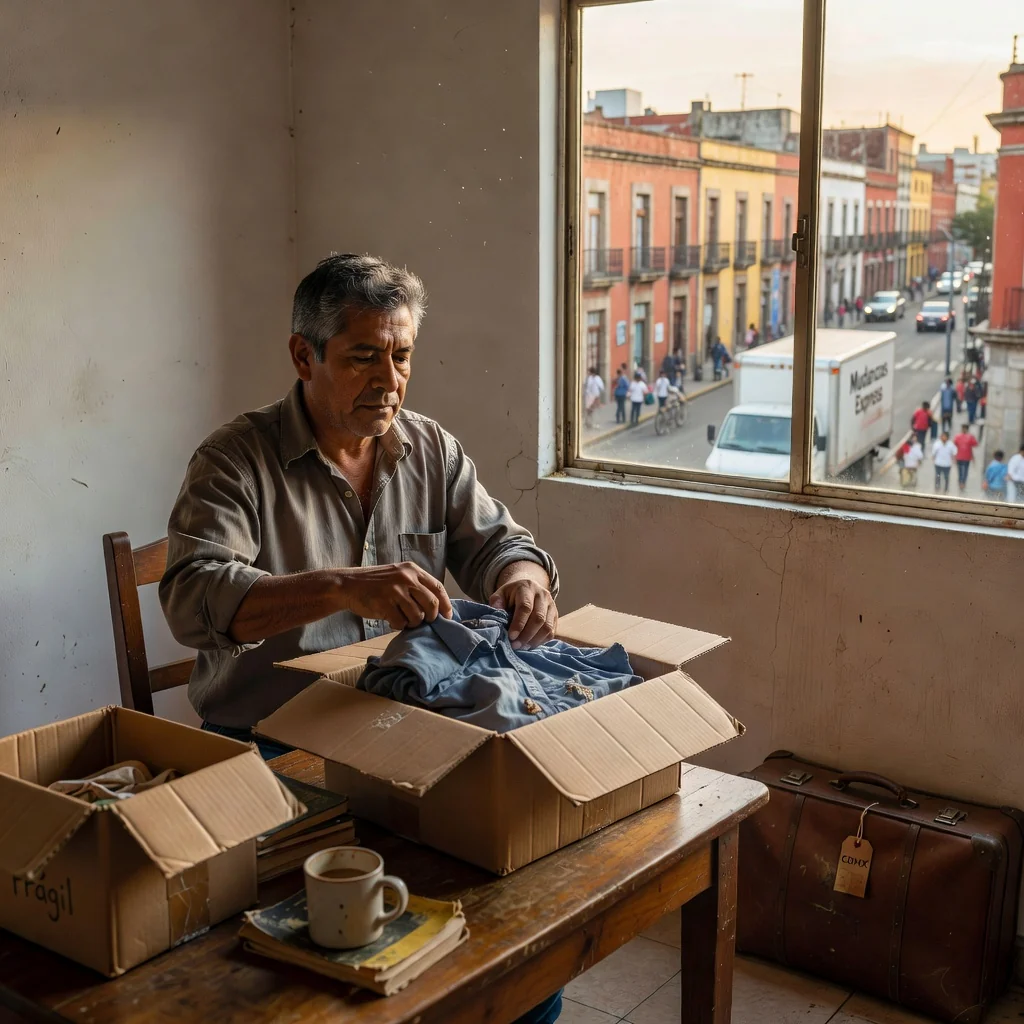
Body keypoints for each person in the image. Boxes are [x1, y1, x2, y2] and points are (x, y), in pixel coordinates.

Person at [159, 253, 565, 1024]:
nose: (389, 379)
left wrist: (523, 579)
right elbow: (188, 600)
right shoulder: (235, 460)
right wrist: (345, 583)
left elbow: (499, 540)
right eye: (362, 357)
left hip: (403, 731)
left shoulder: (429, 449)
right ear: (302, 355)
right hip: (271, 747)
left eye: (402, 354)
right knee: (311, 972)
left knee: (522, 924)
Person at [953, 423, 978, 493]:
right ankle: (961, 482)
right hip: (959, 456)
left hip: (967, 457)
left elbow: (975, 444)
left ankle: (963, 482)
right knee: (960, 471)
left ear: (966, 429)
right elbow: (954, 445)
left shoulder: (970, 437)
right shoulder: (958, 436)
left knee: (965, 471)